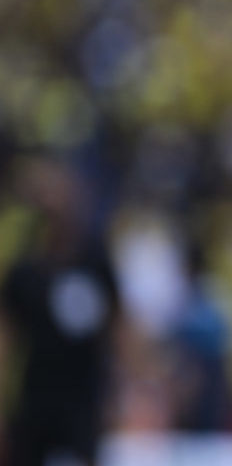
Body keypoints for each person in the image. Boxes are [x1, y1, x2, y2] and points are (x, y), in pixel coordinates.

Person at [0, 155, 122, 466]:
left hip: (84, 399)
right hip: (35, 398)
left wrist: (120, 391)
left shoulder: (96, 262)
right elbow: (7, 338)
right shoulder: (25, 271)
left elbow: (118, 328)